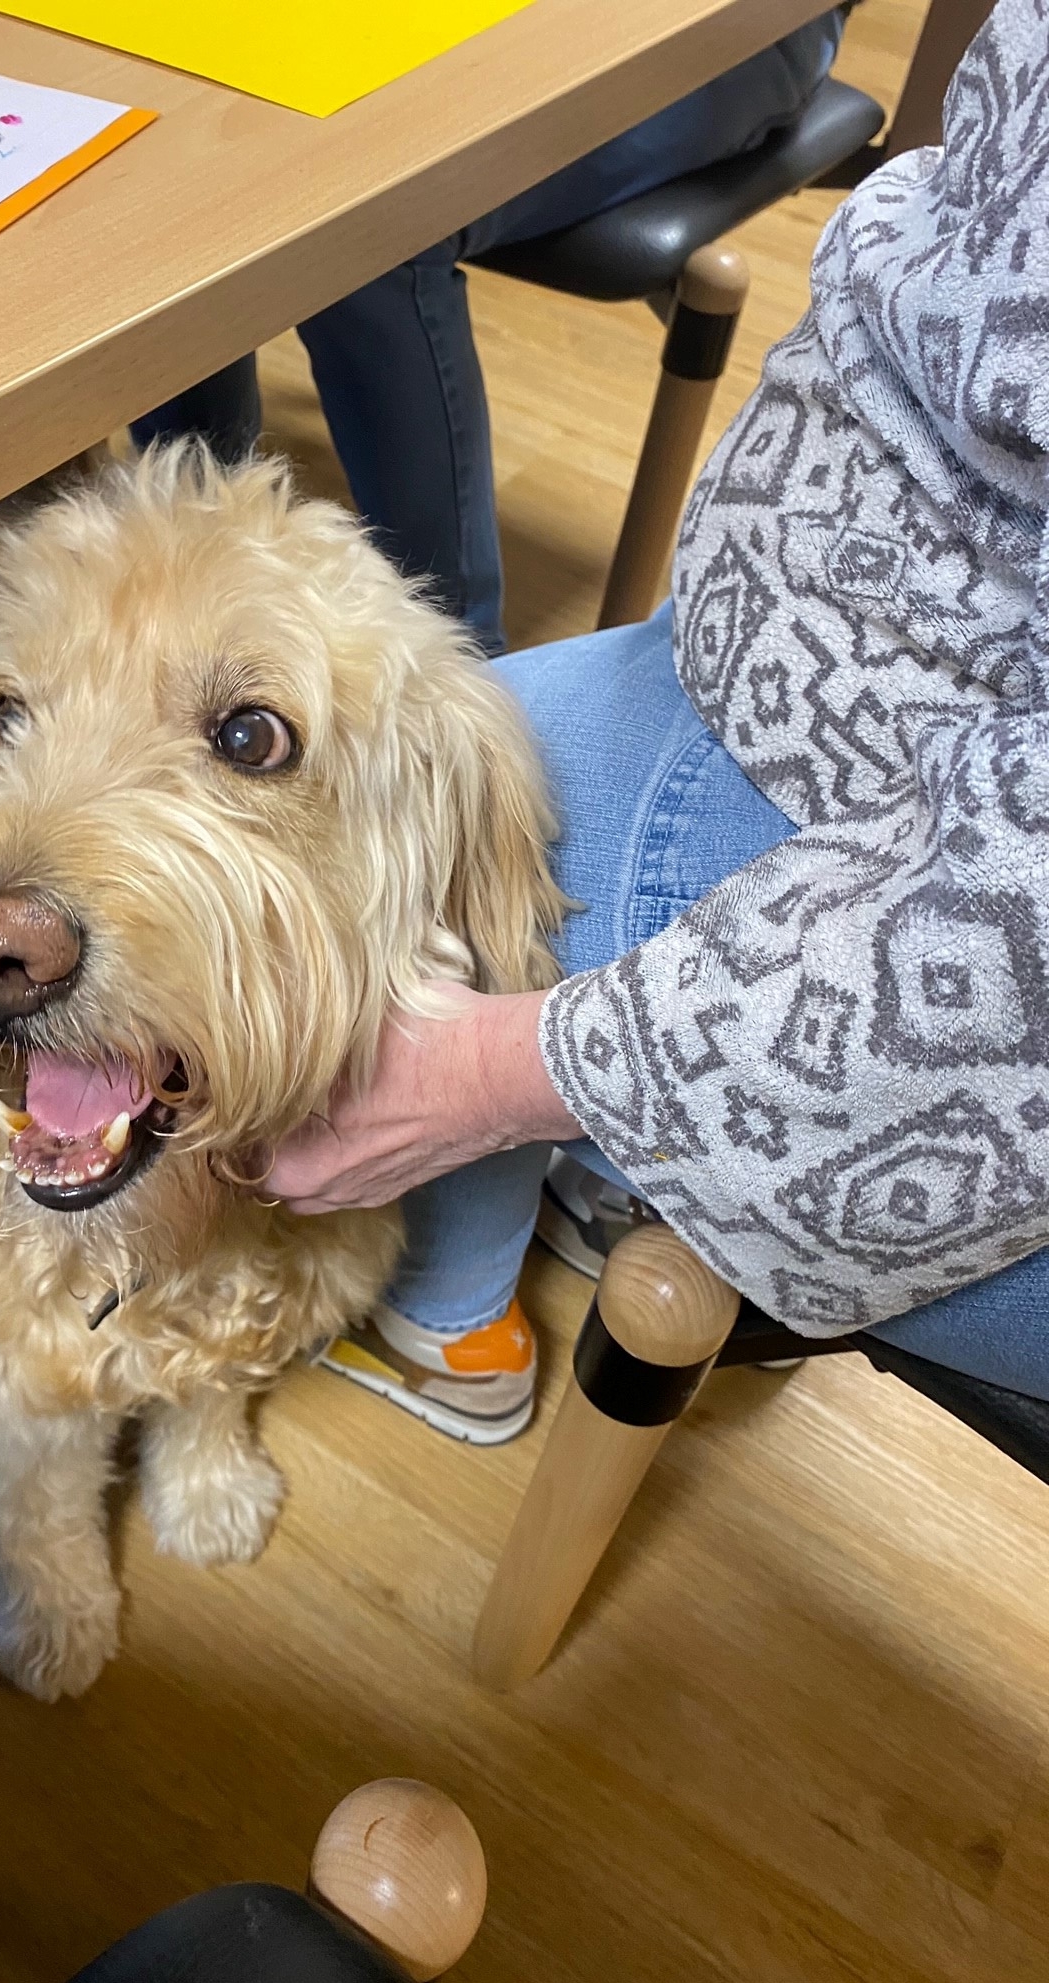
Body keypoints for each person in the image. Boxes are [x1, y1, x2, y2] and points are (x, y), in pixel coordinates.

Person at [266, 0, 1049, 1439]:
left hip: (938, 867)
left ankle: (446, 1324)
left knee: (442, 828)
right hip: (865, 675)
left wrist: (519, 1071)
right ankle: (609, 1173)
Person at [133, 12, 848, 655]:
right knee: (188, 153)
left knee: (367, 230)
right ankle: (193, 552)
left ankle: (458, 656)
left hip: (725, 28)